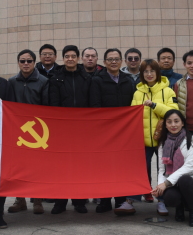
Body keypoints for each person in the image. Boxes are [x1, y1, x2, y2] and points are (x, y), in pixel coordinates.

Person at [114, 59, 178, 215]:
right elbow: (132, 115)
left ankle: (161, 201)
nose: (149, 74)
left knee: (163, 170)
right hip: (141, 140)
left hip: (162, 139)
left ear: (157, 72)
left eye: (152, 71)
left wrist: (155, 105)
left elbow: (174, 113)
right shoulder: (138, 92)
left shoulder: (168, 90)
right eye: (146, 72)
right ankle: (130, 201)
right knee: (138, 170)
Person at [89, 48, 137, 213]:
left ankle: (120, 200)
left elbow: (132, 105)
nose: (114, 62)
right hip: (104, 131)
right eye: (110, 59)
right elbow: (95, 105)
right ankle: (104, 201)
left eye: (116, 59)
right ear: (104, 62)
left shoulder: (127, 80)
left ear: (121, 61)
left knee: (121, 167)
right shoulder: (97, 80)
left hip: (123, 132)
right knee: (104, 167)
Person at [48, 45, 91, 214]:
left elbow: (91, 104)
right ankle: (60, 202)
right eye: (67, 56)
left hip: (82, 130)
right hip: (62, 130)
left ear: (78, 58)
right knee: (61, 167)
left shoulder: (87, 78)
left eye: (73, 56)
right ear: (63, 58)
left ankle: (79, 201)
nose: (70, 59)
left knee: (80, 167)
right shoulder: (55, 79)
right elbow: (53, 105)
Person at [7, 49, 48, 214]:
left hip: (38, 131)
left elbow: (46, 107)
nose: (26, 64)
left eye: (29, 61)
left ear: (34, 62)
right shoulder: (11, 82)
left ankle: (37, 200)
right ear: (18, 63)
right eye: (22, 61)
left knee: (37, 167)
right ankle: (20, 200)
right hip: (17, 131)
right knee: (19, 167)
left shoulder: (43, 81)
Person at [152, 110, 193, 227]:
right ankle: (179, 207)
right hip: (172, 183)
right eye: (169, 122)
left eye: (176, 121)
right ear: (165, 125)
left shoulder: (192, 139)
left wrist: (166, 183)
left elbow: (189, 166)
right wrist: (160, 186)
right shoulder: (163, 143)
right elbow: (162, 170)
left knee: (184, 180)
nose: (173, 125)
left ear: (182, 123)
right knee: (170, 198)